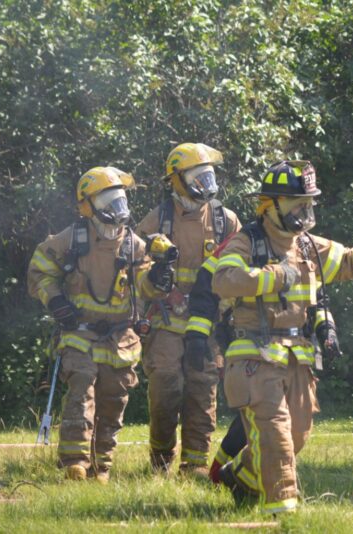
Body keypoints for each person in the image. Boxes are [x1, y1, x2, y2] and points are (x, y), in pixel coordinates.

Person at [211, 160, 353, 513]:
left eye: (308, 204)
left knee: (296, 436)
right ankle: (282, 508)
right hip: (254, 356)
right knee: (274, 433)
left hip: (297, 356)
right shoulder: (246, 242)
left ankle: (241, 477)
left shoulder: (308, 245)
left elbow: (348, 261)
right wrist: (277, 276)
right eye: (297, 205)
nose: (305, 212)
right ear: (270, 206)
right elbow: (224, 280)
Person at [27, 166, 171, 483]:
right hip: (79, 333)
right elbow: (40, 270)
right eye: (108, 201)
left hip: (120, 339)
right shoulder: (72, 239)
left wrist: (158, 278)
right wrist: (55, 301)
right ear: (88, 206)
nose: (116, 208)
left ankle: (101, 465)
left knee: (113, 399)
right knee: (81, 387)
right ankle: (75, 463)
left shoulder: (134, 246)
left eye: (119, 199)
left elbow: (145, 288)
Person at [136, 143, 241, 477]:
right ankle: (161, 459)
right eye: (198, 177)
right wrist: (154, 280)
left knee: (201, 390)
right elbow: (135, 265)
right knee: (165, 388)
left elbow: (239, 271)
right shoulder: (158, 219)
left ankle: (194, 463)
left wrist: (222, 310)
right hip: (166, 323)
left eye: (208, 176)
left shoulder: (226, 221)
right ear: (176, 180)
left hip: (207, 325)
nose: (205, 184)